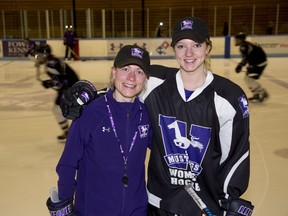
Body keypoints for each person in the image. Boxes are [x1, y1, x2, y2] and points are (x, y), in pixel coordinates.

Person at [60, 17, 254, 216]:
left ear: (207, 47)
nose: (189, 53)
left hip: (203, 206)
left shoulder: (228, 97)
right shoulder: (155, 83)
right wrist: (86, 96)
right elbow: (123, 89)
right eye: (181, 46)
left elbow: (236, 155)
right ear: (173, 49)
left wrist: (229, 198)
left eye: (196, 45)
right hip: (158, 204)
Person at [46, 45, 153, 216]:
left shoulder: (146, 115)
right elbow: (68, 162)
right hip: (93, 209)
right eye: (125, 69)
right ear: (113, 72)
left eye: (139, 72)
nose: (131, 77)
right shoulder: (91, 112)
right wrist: (64, 201)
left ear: (146, 79)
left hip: (136, 210)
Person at [36, 44, 80, 142]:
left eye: (39, 55)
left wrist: (51, 83)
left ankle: (70, 134)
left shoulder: (50, 64)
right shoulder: (52, 61)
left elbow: (62, 80)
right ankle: (70, 133)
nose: (37, 57)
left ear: (45, 54)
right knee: (61, 109)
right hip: (71, 87)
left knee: (58, 109)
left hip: (70, 88)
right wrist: (52, 83)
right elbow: (61, 78)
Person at [235, 32, 269, 102]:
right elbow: (248, 57)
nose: (236, 41)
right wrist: (241, 65)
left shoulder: (244, 47)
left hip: (259, 64)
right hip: (259, 63)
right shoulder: (246, 45)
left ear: (241, 39)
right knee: (247, 78)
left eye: (237, 39)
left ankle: (262, 92)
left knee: (248, 78)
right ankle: (256, 94)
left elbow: (247, 58)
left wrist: (243, 66)